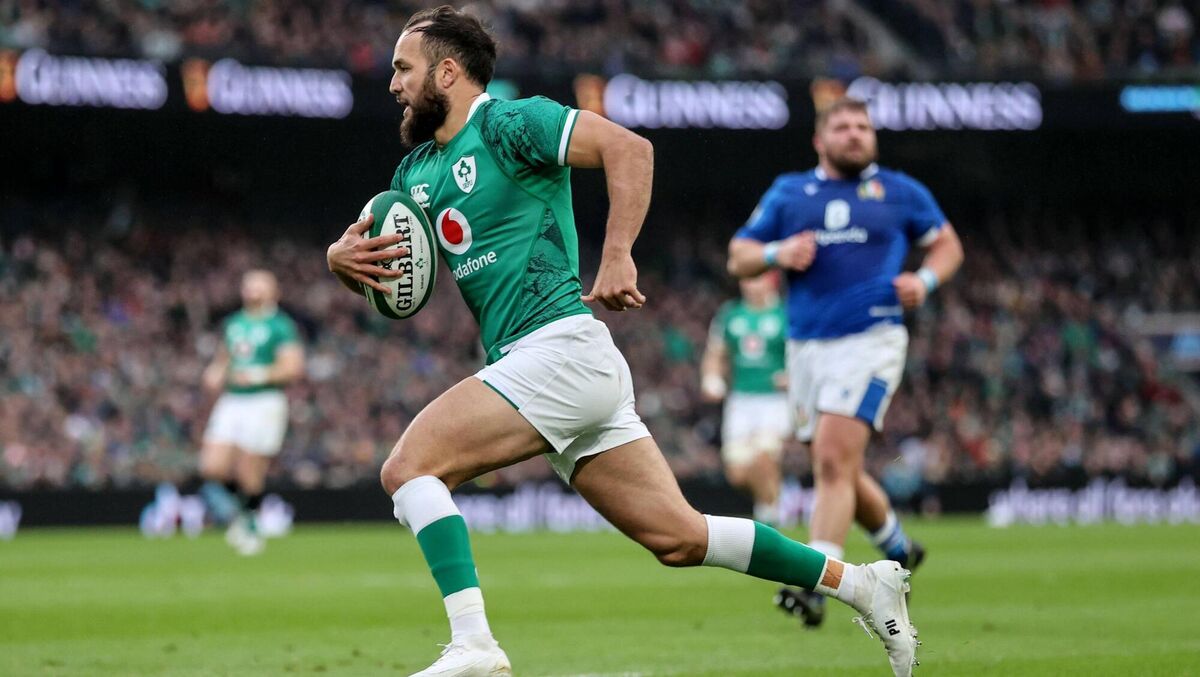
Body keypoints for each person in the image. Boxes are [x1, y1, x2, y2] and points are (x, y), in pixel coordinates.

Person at [326, 8, 919, 676]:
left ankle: (474, 643)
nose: (393, 84)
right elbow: (392, 273)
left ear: (448, 70)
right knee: (680, 535)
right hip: (558, 366)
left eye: (404, 68)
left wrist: (618, 255)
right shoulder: (415, 175)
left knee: (408, 468)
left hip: (558, 350)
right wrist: (340, 262)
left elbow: (630, 149)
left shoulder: (512, 122)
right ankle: (862, 583)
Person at [727, 97, 964, 628]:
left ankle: (815, 582)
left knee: (832, 461)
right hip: (806, 347)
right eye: (843, 127)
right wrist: (776, 254)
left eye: (863, 127)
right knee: (836, 465)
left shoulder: (901, 192)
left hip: (871, 338)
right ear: (820, 140)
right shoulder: (791, 193)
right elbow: (738, 253)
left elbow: (948, 245)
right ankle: (898, 546)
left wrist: (924, 281)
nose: (855, 134)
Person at [198, 270, 304, 556]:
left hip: (265, 401)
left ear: (273, 291)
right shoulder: (234, 323)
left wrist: (257, 375)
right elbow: (225, 358)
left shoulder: (281, 326)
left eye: (260, 285)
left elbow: (293, 367)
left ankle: (251, 523)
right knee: (212, 466)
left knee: (249, 469)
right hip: (233, 400)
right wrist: (215, 373)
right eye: (249, 285)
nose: (253, 290)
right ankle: (244, 514)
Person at [700, 270, 790, 526]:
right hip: (740, 401)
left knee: (765, 457)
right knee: (737, 474)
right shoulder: (730, 314)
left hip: (773, 400)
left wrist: (792, 376)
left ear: (770, 281)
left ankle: (769, 522)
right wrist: (712, 379)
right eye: (746, 279)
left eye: (756, 278)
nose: (748, 285)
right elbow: (716, 353)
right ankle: (771, 499)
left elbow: (803, 353)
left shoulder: (785, 314)